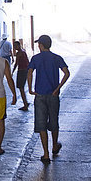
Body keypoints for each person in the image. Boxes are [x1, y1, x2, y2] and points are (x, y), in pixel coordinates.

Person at [27, 35, 70, 164]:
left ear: (41, 45)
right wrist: (57, 89)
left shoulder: (36, 58)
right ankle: (54, 146)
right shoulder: (56, 58)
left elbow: (29, 73)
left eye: (38, 44)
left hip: (39, 95)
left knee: (41, 125)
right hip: (53, 95)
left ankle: (46, 154)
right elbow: (67, 73)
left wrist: (30, 88)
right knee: (53, 121)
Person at [12, 40, 30, 111]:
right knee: (21, 88)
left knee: (21, 88)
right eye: (14, 46)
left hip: (22, 71)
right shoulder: (23, 51)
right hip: (25, 70)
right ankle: (25, 102)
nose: (15, 47)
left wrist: (12, 71)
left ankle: (25, 105)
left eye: (15, 46)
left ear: (19, 45)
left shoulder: (19, 53)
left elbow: (16, 63)